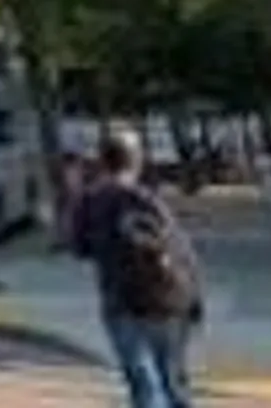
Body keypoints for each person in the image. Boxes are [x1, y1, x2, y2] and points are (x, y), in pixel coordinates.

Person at [67, 130, 200, 408]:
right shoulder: (148, 198)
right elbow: (182, 249)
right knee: (174, 384)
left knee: (145, 386)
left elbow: (79, 248)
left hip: (122, 302)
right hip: (169, 301)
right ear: (136, 161)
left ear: (103, 162)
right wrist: (195, 300)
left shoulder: (91, 200)